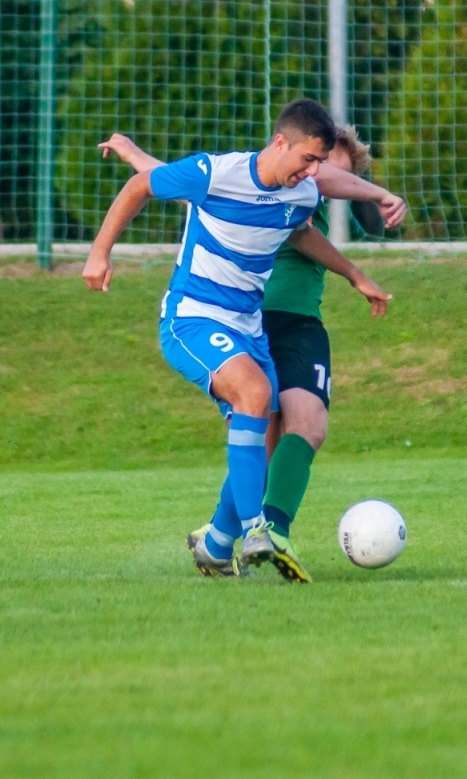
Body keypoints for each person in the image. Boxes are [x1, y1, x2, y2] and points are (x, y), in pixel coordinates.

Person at [83, 100, 393, 580]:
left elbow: (301, 233)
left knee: (260, 434)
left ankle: (215, 543)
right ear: (280, 143)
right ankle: (256, 530)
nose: (313, 173)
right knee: (255, 395)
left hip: (248, 328)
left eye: (319, 165)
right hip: (194, 317)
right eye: (308, 160)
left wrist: (355, 275)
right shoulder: (216, 173)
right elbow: (143, 184)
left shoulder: (299, 196)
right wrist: (100, 252)